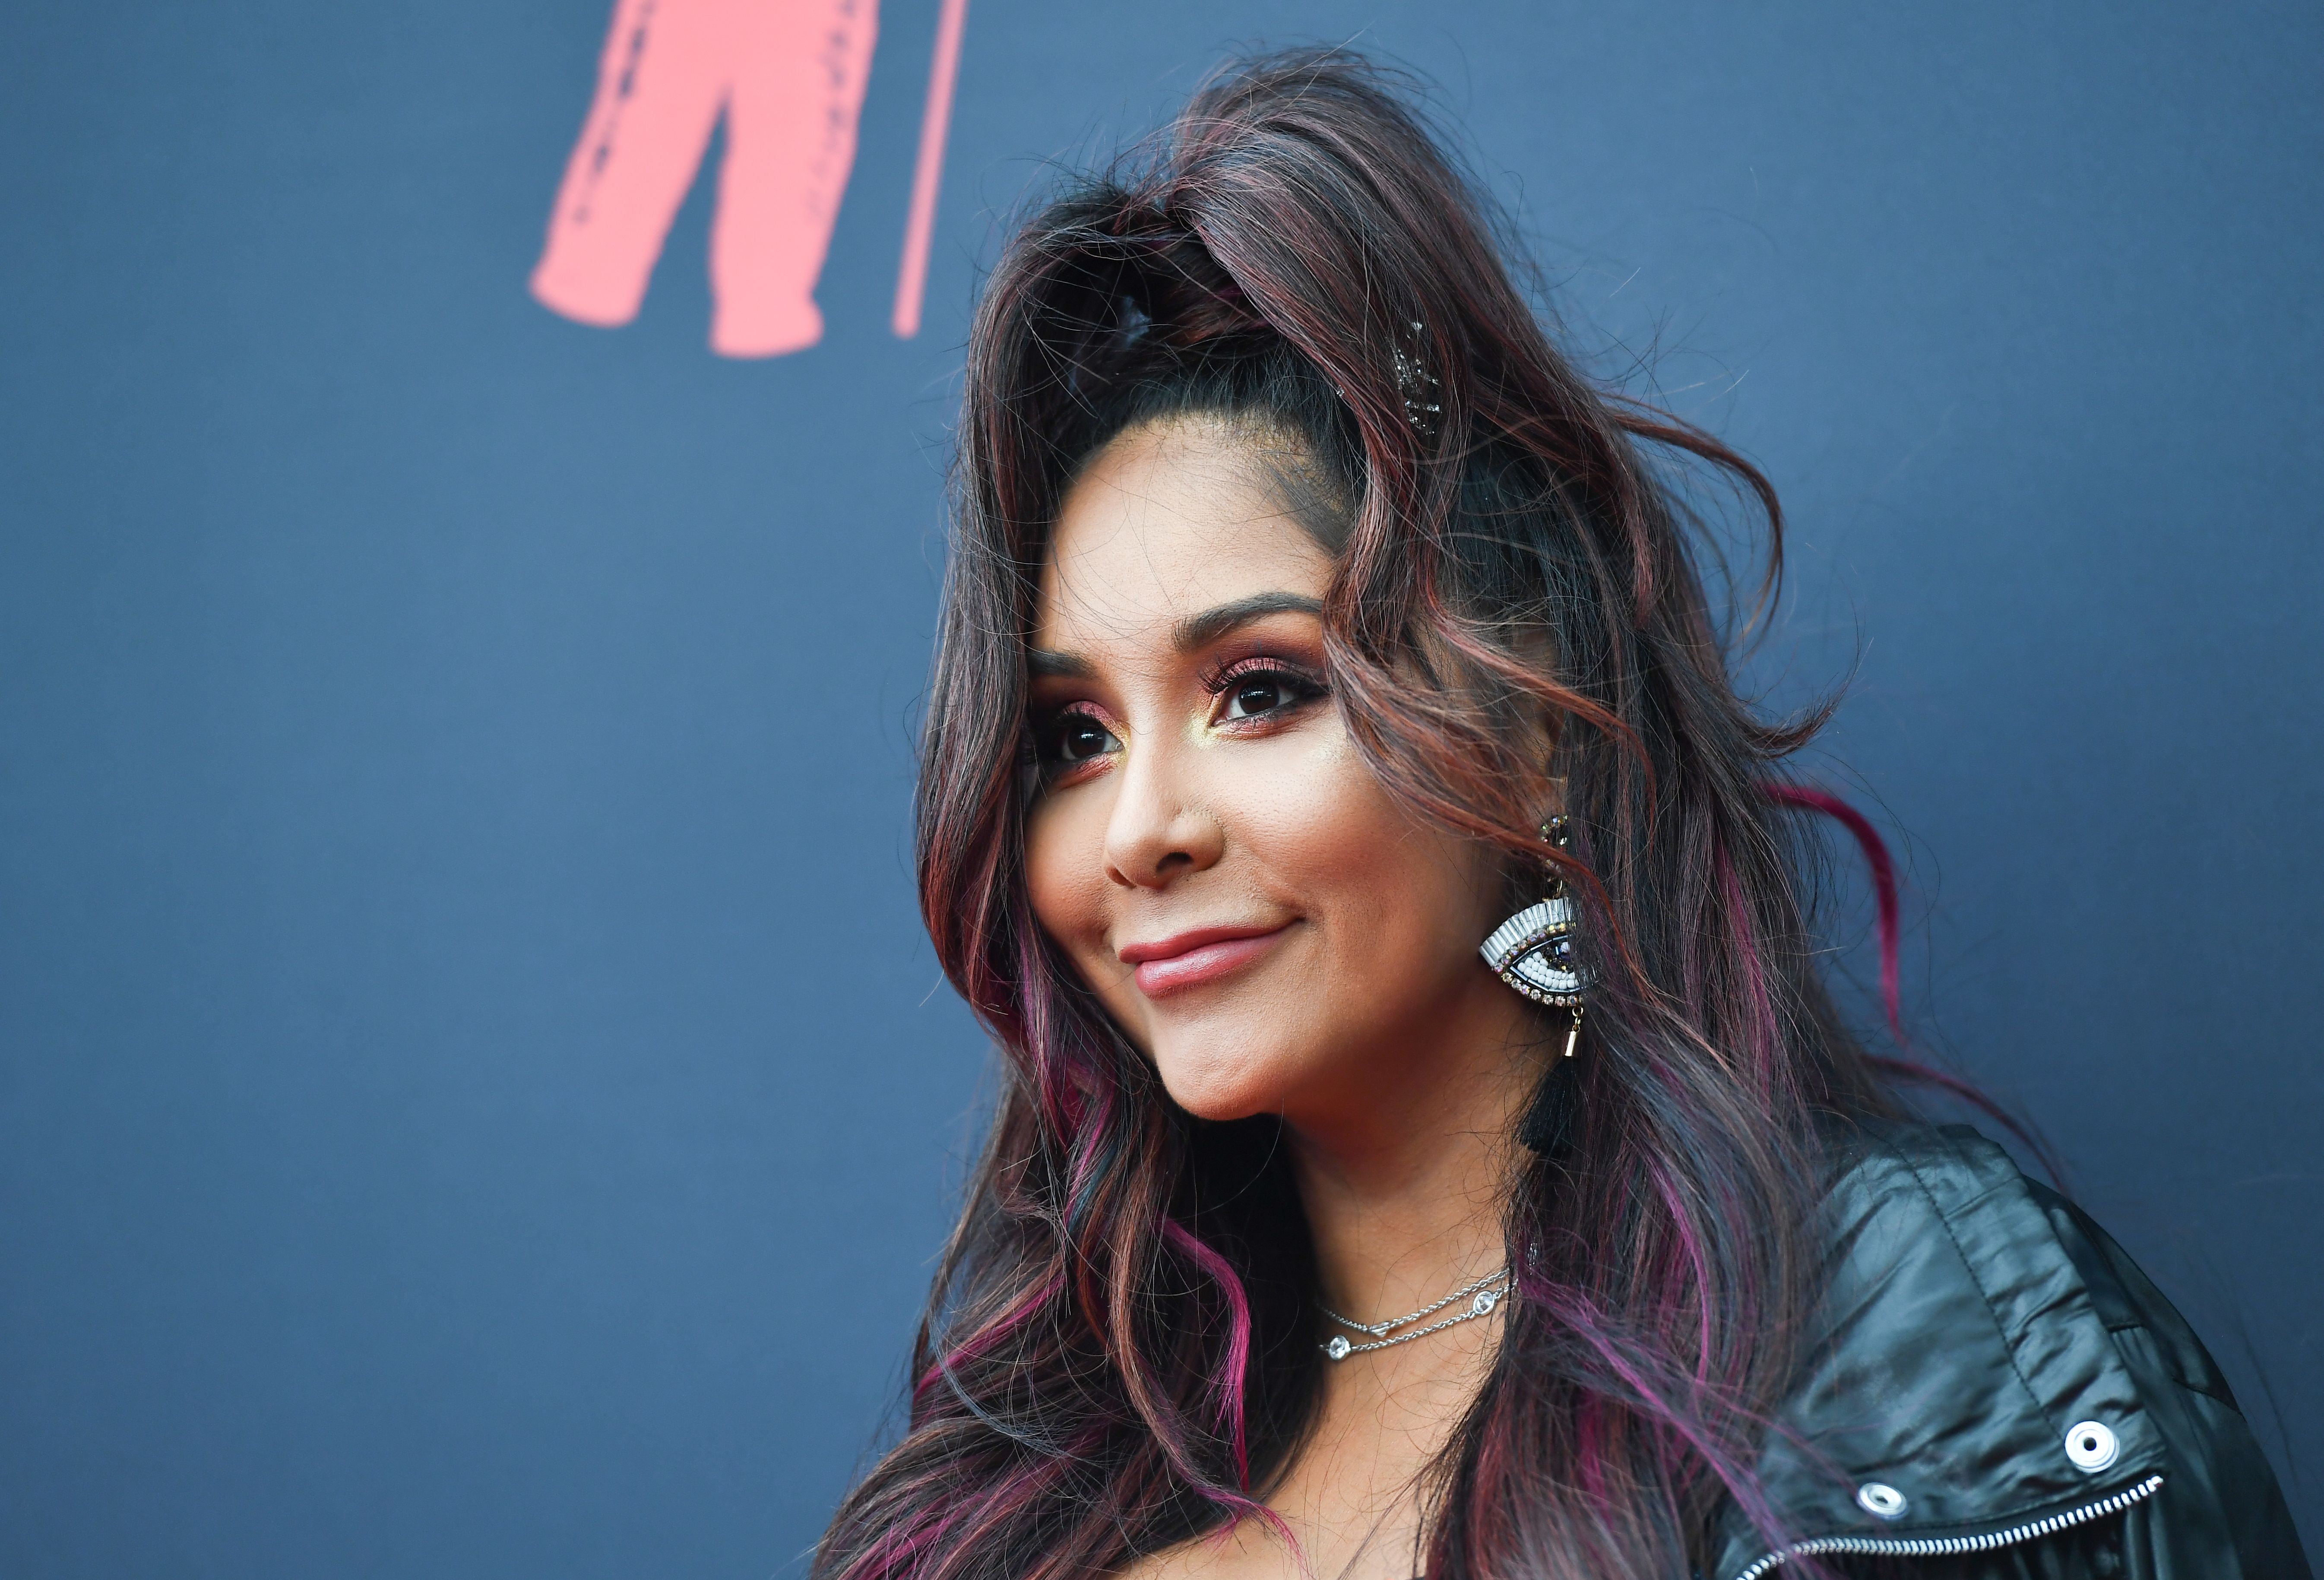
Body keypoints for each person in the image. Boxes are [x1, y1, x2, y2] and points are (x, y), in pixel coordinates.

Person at [814, 50, 2309, 1580]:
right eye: (1074, 737)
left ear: (1536, 731)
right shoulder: (1029, 1482)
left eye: (1260, 690)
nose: (1139, 830)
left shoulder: (1903, 1352)